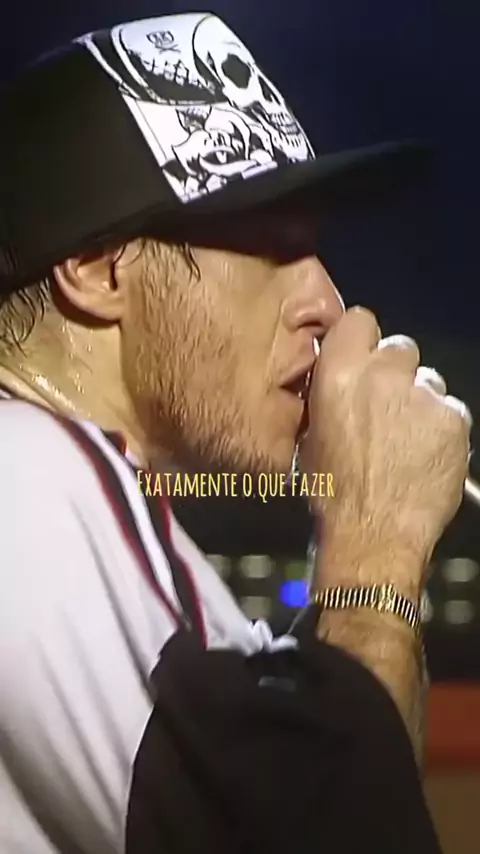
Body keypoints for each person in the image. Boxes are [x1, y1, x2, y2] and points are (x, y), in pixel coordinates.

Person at [0, 12, 470, 854]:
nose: (326, 303)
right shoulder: (31, 481)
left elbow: (335, 774)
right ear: (99, 270)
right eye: (271, 244)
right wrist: (377, 544)